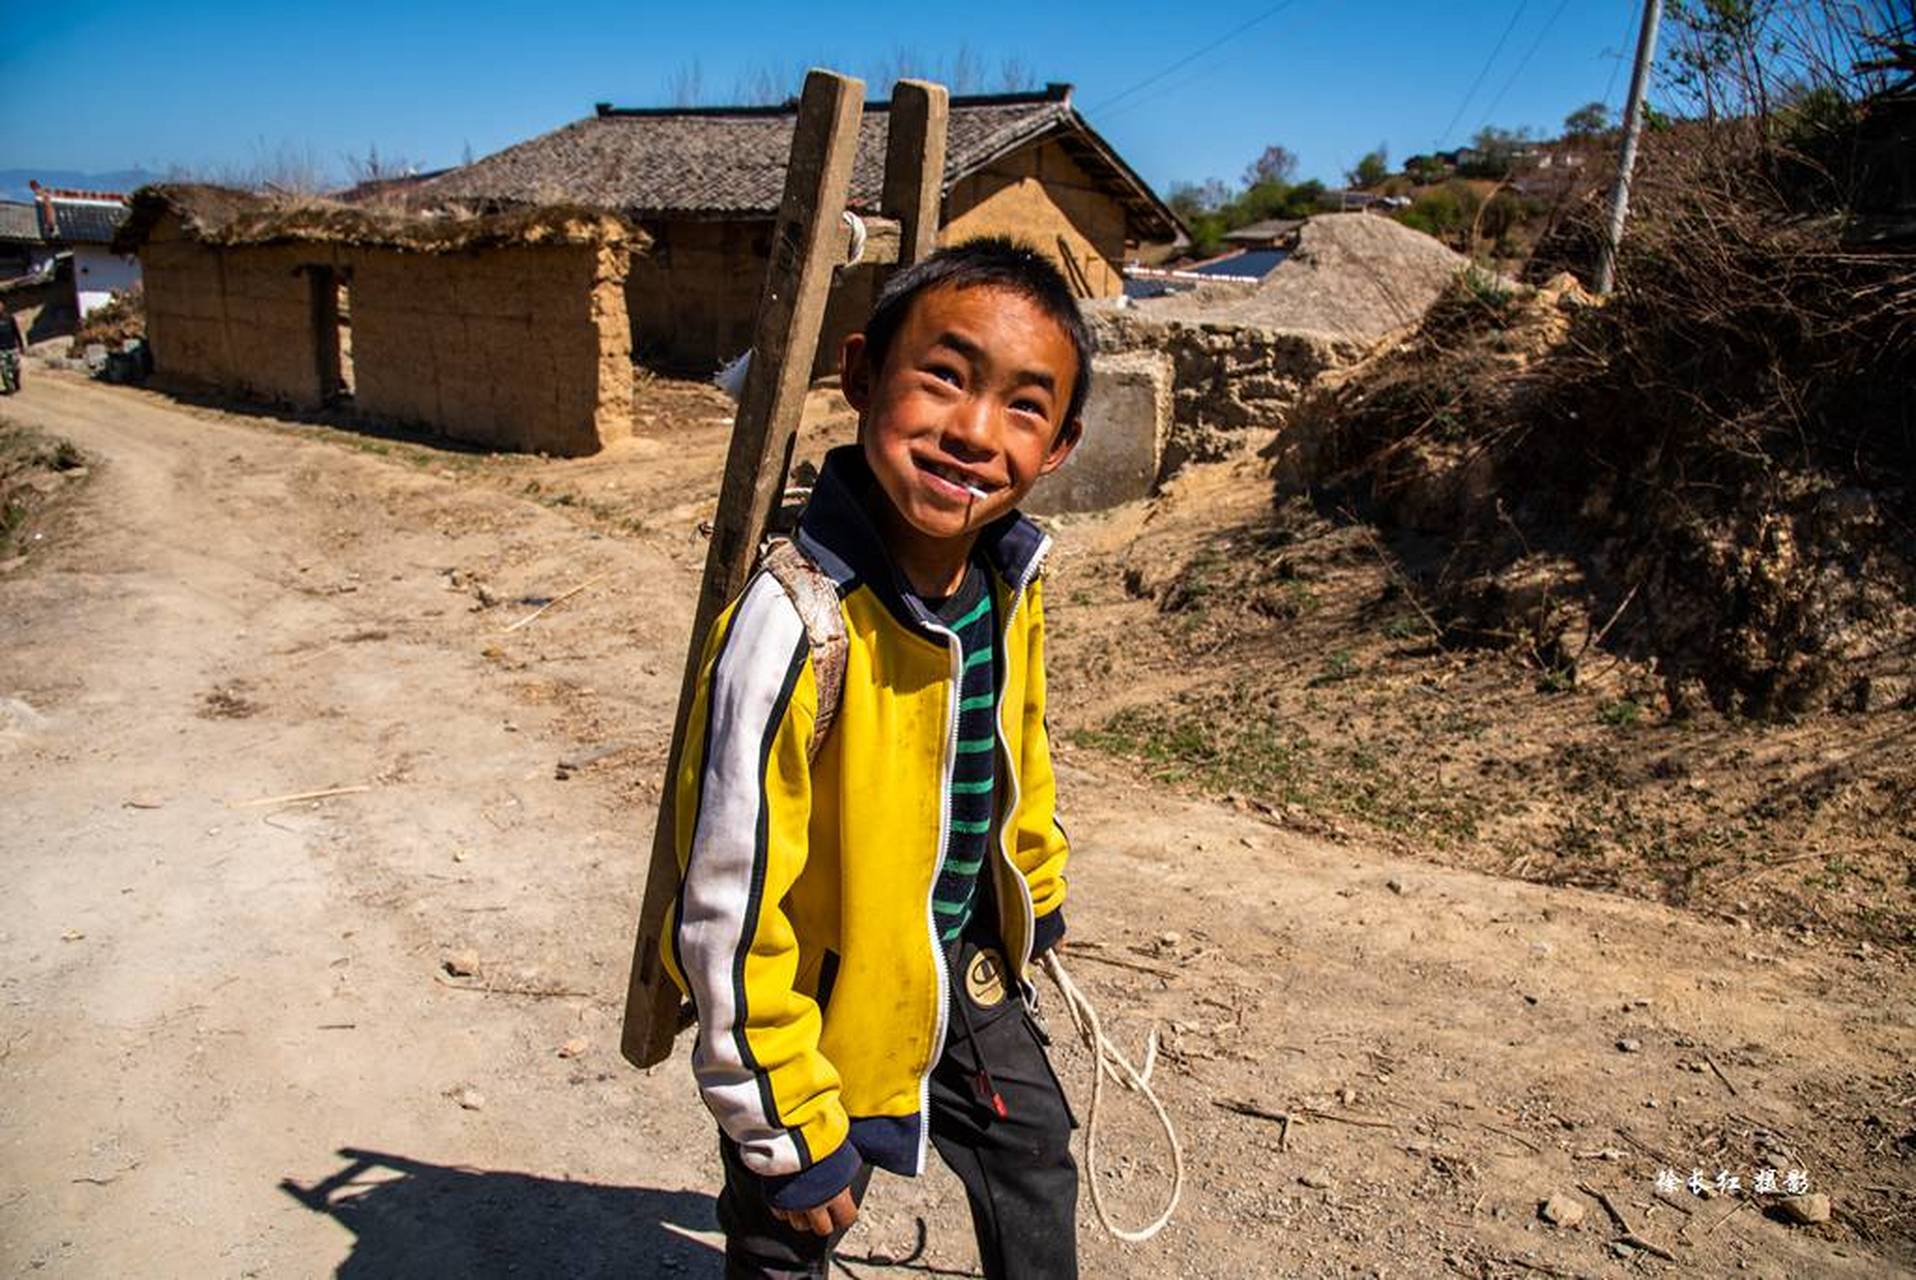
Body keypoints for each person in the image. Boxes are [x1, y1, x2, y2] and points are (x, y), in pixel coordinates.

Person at [661, 237, 1093, 1279]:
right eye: (942, 377)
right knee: (794, 1222)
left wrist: (1031, 880)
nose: (974, 432)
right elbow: (726, 907)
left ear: (1061, 447)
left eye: (1023, 407)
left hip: (954, 956)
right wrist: (782, 1121)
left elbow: (1016, 747)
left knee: (1031, 1149)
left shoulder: (1005, 576)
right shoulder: (795, 625)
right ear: (859, 375)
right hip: (814, 1005)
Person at [0, 300, 23, 395]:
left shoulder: (10, 318)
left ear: (3, 307)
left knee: (16, 368)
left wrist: (21, 345)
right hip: (1, 349)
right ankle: (9, 388)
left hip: (12, 347)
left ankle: (16, 382)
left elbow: (16, 331)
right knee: (4, 369)